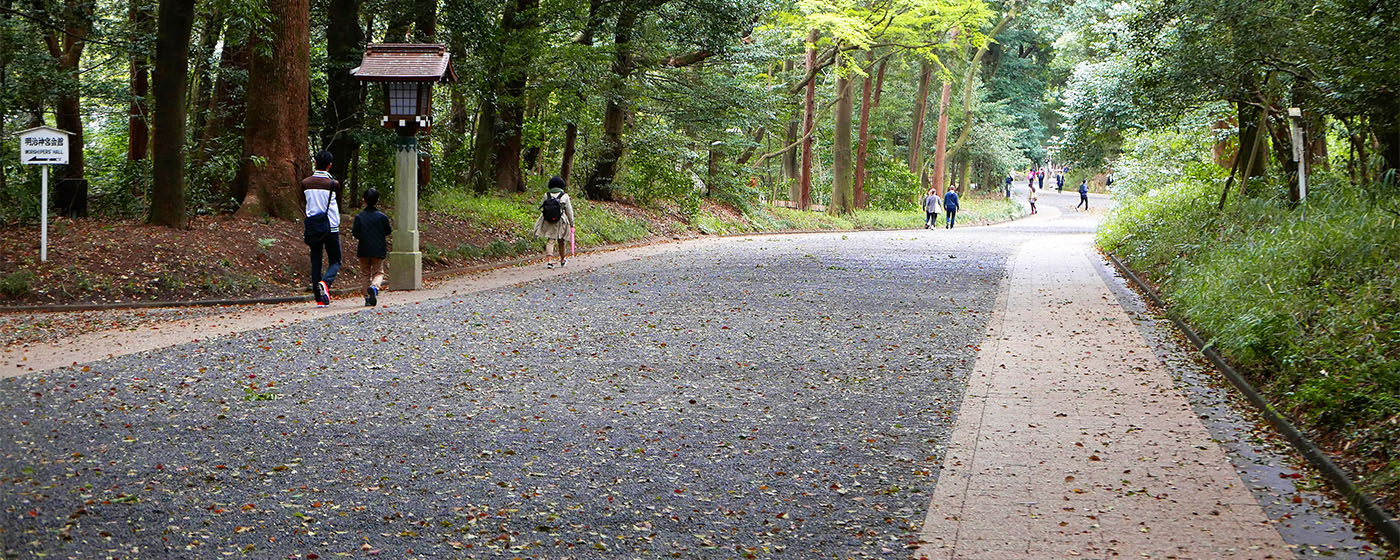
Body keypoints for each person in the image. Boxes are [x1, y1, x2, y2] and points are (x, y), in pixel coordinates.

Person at [302, 151, 343, 307]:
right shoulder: (333, 184)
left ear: (315, 162)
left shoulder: (306, 183)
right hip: (331, 226)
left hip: (313, 227)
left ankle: (319, 299)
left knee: (316, 262)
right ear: (329, 165)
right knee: (336, 260)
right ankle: (325, 283)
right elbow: (337, 203)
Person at [351, 188, 392, 307]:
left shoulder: (359, 217)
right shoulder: (382, 217)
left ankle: (367, 298)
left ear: (364, 200)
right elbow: (387, 231)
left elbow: (356, 233)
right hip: (378, 248)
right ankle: (374, 287)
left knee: (365, 274)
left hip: (363, 249)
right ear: (377, 200)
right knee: (378, 272)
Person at [532, 176, 575, 268]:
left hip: (548, 220)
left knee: (550, 240)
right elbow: (569, 211)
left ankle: (549, 262)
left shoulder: (546, 195)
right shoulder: (565, 196)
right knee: (561, 241)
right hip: (561, 220)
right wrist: (572, 224)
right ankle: (562, 260)